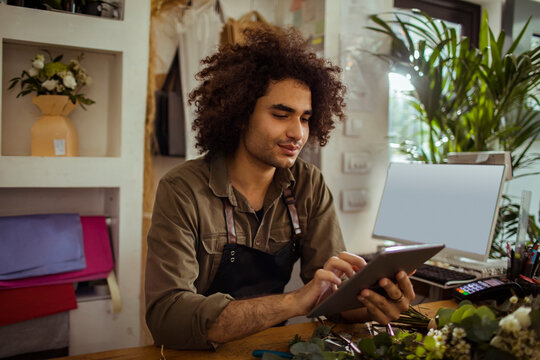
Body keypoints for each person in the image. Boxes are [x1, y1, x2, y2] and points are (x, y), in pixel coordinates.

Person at [145, 26, 415, 350]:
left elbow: (333, 298)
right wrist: (295, 303)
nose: (297, 133)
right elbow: (167, 317)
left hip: (274, 349)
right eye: (281, 114)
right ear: (240, 114)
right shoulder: (182, 190)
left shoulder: (309, 185)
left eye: (304, 118)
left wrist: (374, 301)